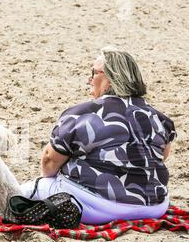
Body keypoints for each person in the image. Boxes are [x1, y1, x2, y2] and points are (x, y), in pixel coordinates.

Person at [19, 46, 177, 224]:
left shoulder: (82, 114)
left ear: (109, 78)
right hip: (154, 208)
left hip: (98, 207)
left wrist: (55, 179)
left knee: (27, 190)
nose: (89, 79)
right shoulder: (161, 119)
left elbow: (49, 162)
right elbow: (160, 157)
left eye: (93, 73)